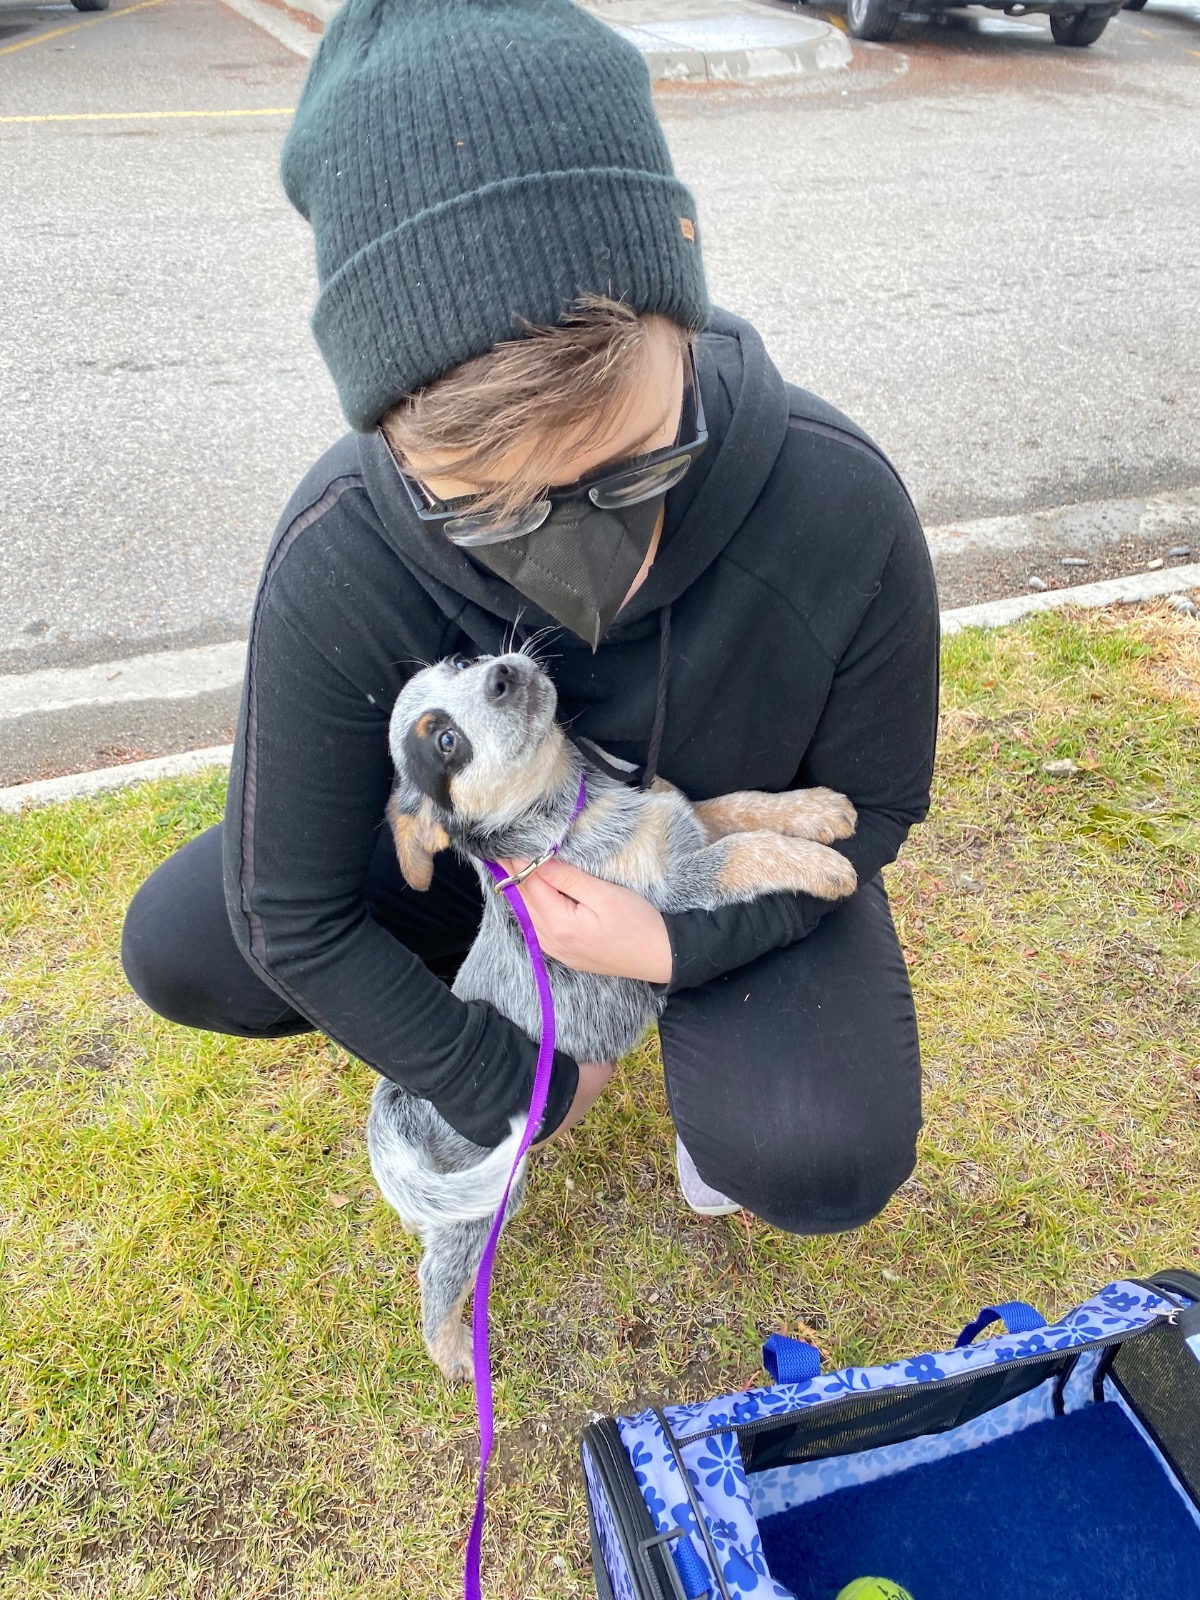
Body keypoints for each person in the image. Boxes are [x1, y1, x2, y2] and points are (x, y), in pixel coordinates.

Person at [121, 0, 938, 1231]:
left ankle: (714, 1073)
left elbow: (874, 803)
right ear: (393, 441)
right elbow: (284, 910)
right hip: (505, 878)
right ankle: (527, 1006)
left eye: (635, 469)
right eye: (492, 513)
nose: (582, 556)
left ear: (683, 322)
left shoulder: (838, 501)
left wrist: (669, 947)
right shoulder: (336, 551)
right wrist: (523, 1079)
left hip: (706, 861)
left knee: (815, 1152)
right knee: (188, 937)